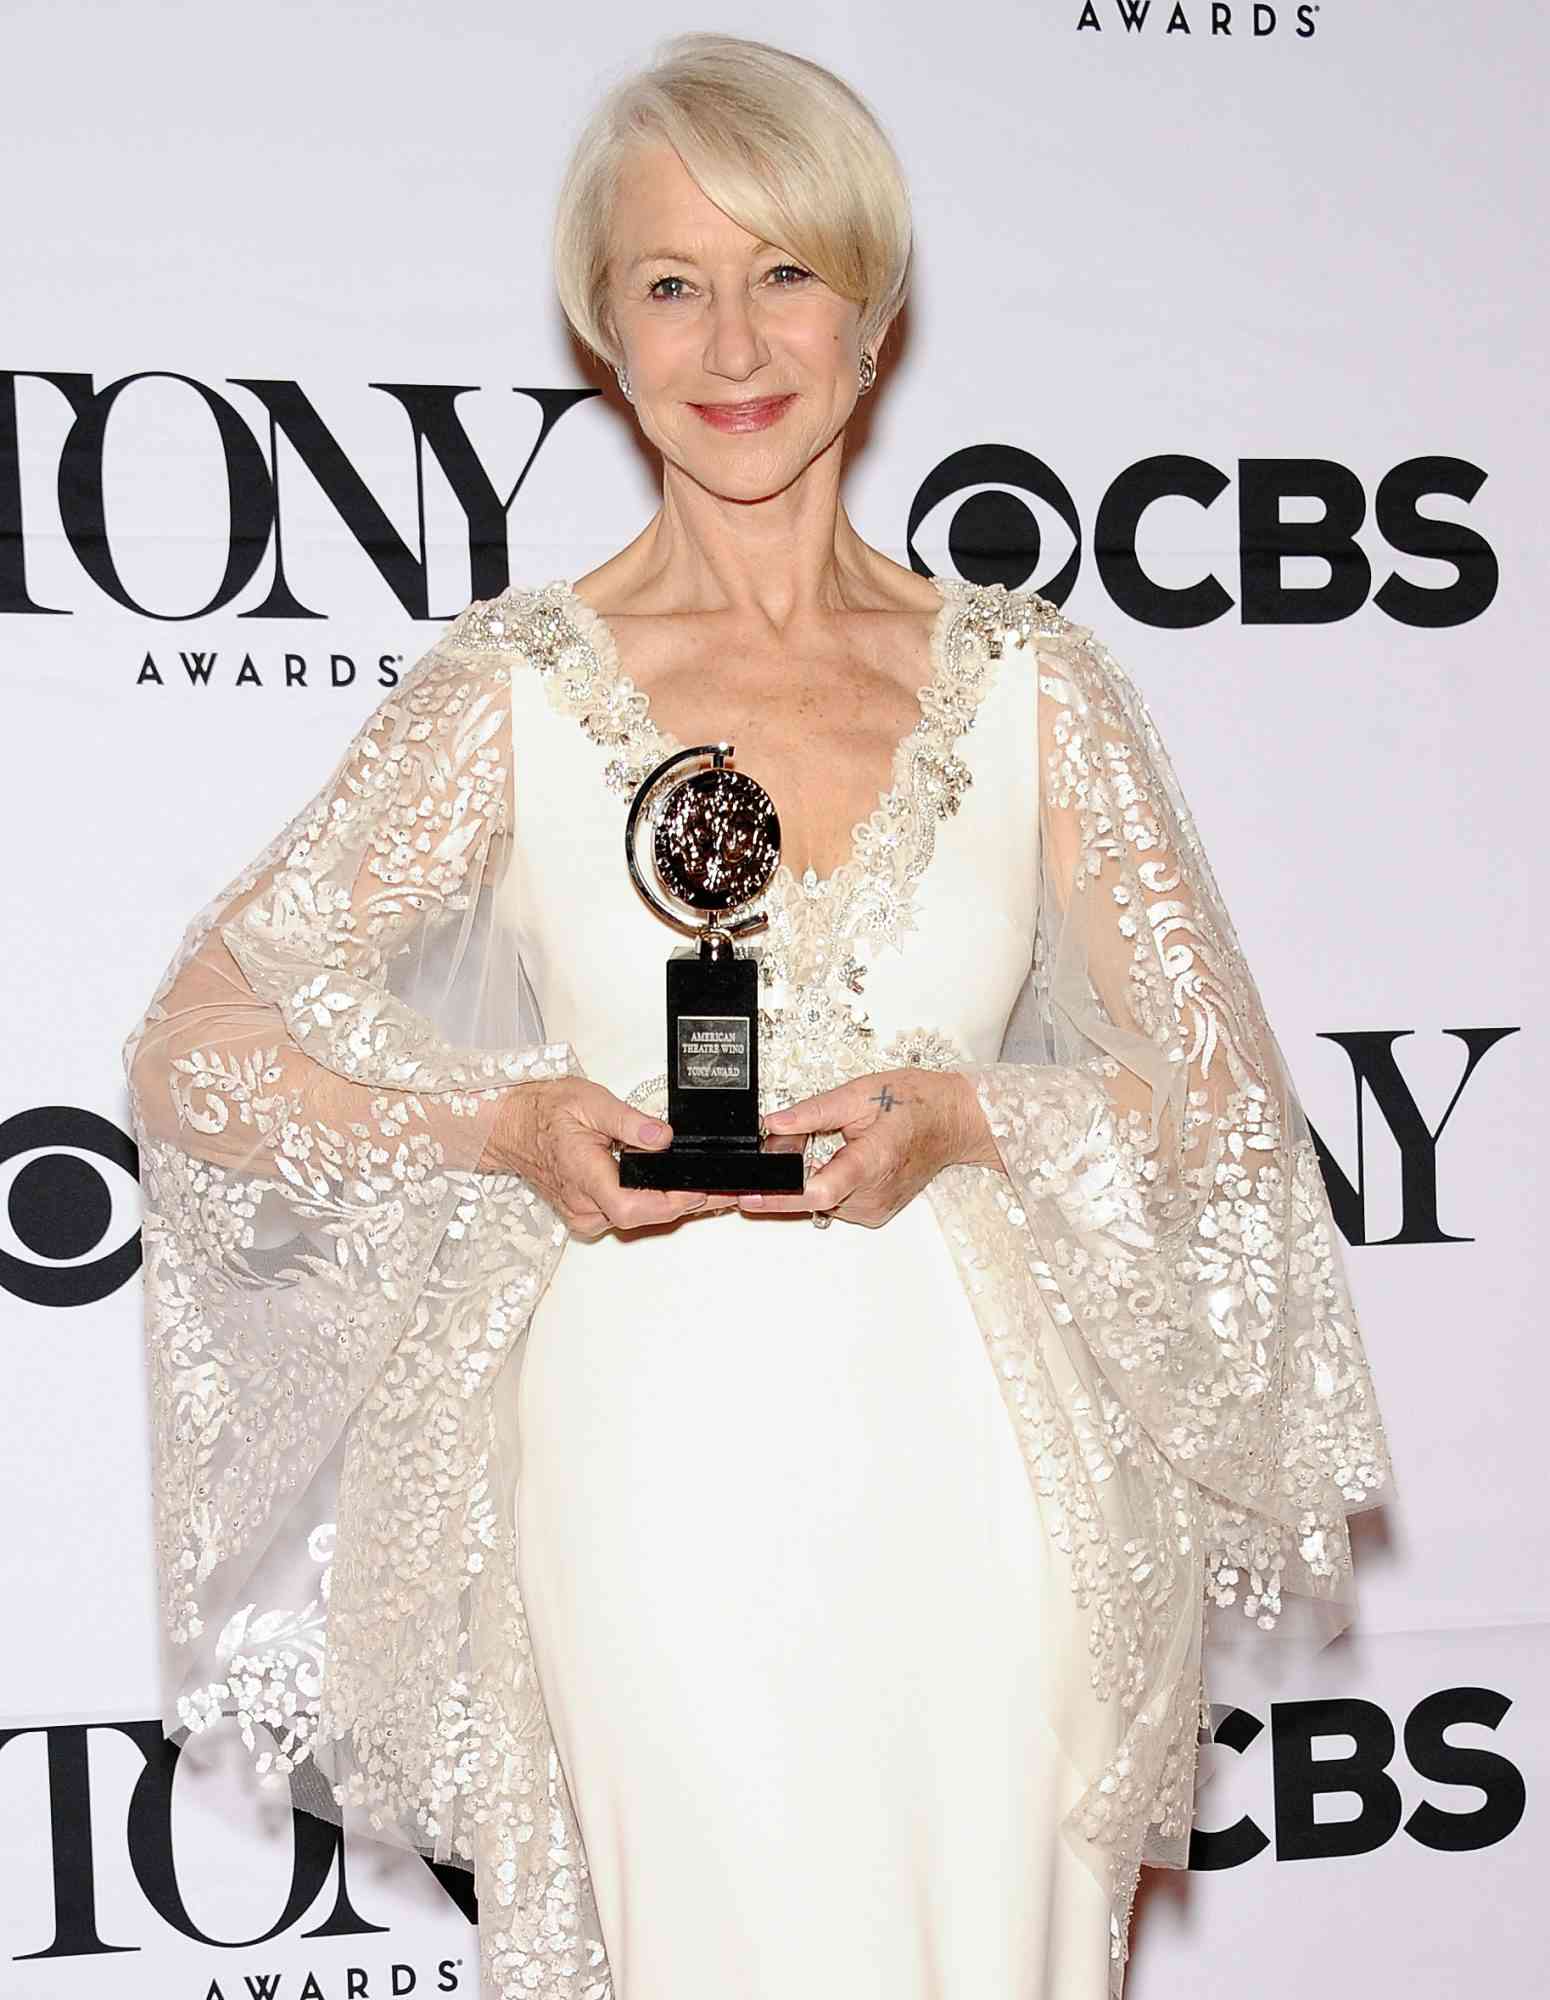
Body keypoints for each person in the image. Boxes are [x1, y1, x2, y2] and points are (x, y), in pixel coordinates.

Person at [122, 31, 1394, 2000]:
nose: (733, 337)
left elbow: (1220, 1110)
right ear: (600, 336)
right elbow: (195, 1044)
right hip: (656, 1457)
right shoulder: (515, 688)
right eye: (668, 282)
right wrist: (502, 1124)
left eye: (785, 270)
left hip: (983, 1462)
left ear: (873, 313)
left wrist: (969, 1122)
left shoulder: (1031, 682)